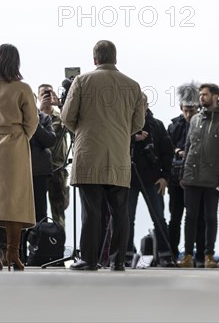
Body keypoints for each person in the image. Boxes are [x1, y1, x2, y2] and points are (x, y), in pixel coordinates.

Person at [61, 40, 145, 271]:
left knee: (92, 212)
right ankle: (118, 260)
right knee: (120, 212)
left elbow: (67, 117)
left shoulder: (81, 81)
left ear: (95, 59)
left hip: (90, 154)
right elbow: (138, 123)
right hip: (118, 155)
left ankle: (89, 259)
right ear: (115, 58)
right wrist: (119, 133)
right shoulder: (133, 86)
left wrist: (85, 129)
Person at [0, 43, 39, 271]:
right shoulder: (23, 88)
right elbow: (32, 121)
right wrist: (21, 137)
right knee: (15, 199)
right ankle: (13, 253)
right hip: (15, 145)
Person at [179, 83, 219, 268]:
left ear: (215, 96)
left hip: (213, 178)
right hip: (192, 176)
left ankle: (209, 256)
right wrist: (183, 173)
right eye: (200, 94)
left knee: (210, 217)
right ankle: (187, 255)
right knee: (190, 217)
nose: (201, 98)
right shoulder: (194, 119)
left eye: (204, 95)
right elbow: (188, 148)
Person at [127, 97, 175, 267]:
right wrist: (133, 139)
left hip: (153, 179)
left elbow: (167, 153)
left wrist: (165, 177)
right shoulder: (125, 125)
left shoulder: (157, 125)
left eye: (142, 104)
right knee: (127, 218)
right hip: (128, 179)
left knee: (159, 218)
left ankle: (164, 255)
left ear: (147, 105)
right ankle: (126, 254)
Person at [167, 82, 205, 265]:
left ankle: (199, 255)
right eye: (186, 110)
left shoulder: (204, 124)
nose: (189, 114)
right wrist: (177, 151)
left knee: (198, 218)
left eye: (192, 110)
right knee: (175, 218)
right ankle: (172, 254)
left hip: (197, 180)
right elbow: (167, 149)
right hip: (175, 180)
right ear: (181, 108)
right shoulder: (174, 126)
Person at [38, 84, 70, 229]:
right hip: (39, 170)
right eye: (43, 94)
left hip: (58, 169)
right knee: (38, 211)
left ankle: (58, 244)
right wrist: (40, 111)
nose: (47, 96)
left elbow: (72, 124)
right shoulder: (35, 118)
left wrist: (62, 105)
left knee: (58, 211)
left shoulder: (61, 116)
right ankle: (39, 243)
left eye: (49, 93)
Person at [31, 91, 57, 222]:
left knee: (40, 212)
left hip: (39, 172)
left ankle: (40, 241)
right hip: (17, 171)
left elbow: (49, 141)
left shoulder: (43, 118)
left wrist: (34, 122)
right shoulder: (13, 119)